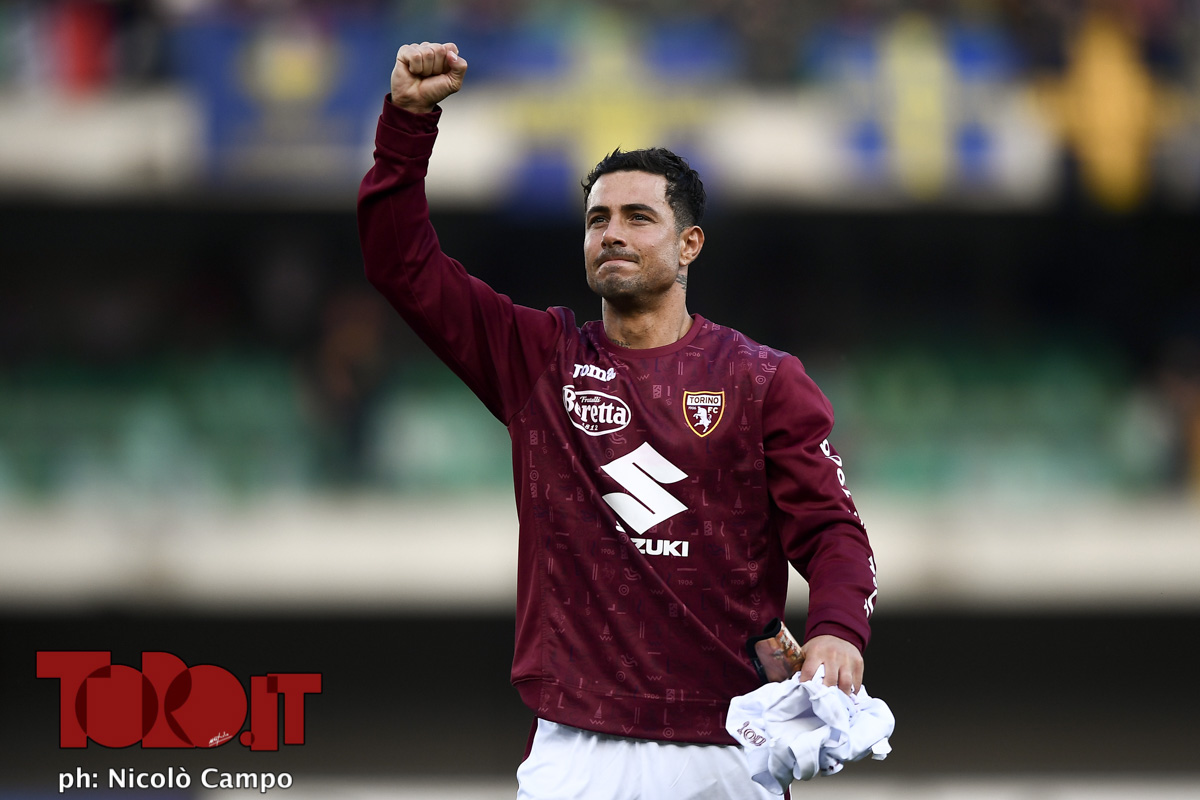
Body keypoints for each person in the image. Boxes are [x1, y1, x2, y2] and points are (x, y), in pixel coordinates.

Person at [357, 41, 879, 800]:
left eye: (639, 217)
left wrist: (836, 629)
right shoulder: (538, 359)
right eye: (598, 219)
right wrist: (407, 123)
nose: (612, 233)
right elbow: (399, 265)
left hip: (724, 741)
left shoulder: (763, 380)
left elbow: (833, 531)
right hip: (577, 746)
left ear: (689, 244)